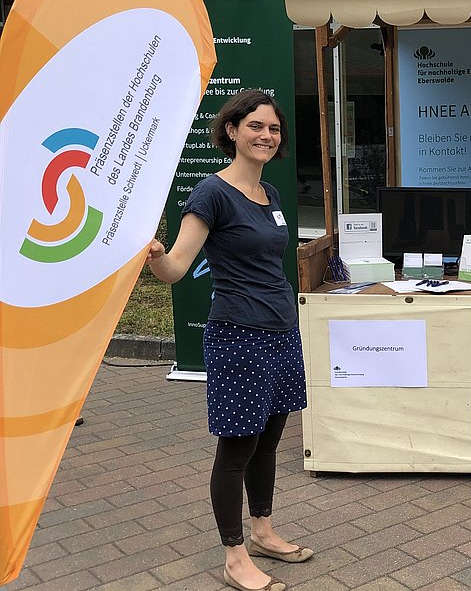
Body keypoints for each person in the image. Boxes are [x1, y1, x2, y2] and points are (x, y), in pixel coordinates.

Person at [147, 90, 311, 591]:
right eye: (256, 126)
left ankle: (263, 529)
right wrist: (154, 254)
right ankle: (234, 556)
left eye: (274, 129)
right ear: (232, 131)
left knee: (269, 443)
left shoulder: (271, 194)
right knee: (237, 448)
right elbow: (176, 268)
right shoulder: (211, 194)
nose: (266, 136)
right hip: (238, 335)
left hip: (281, 332)